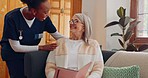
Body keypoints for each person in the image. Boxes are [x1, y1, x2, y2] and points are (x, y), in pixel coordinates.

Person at [1, 0, 64, 78]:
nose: (48, 14)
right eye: (45, 12)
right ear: (34, 11)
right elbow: (16, 47)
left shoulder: (44, 19)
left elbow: (58, 36)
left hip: (31, 54)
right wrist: (41, 47)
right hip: (14, 55)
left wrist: (76, 41)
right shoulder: (12, 18)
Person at [45, 13, 104, 78]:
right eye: (71, 21)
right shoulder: (59, 43)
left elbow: (98, 68)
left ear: (84, 27)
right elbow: (50, 67)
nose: (72, 23)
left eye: (76, 21)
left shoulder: (93, 45)